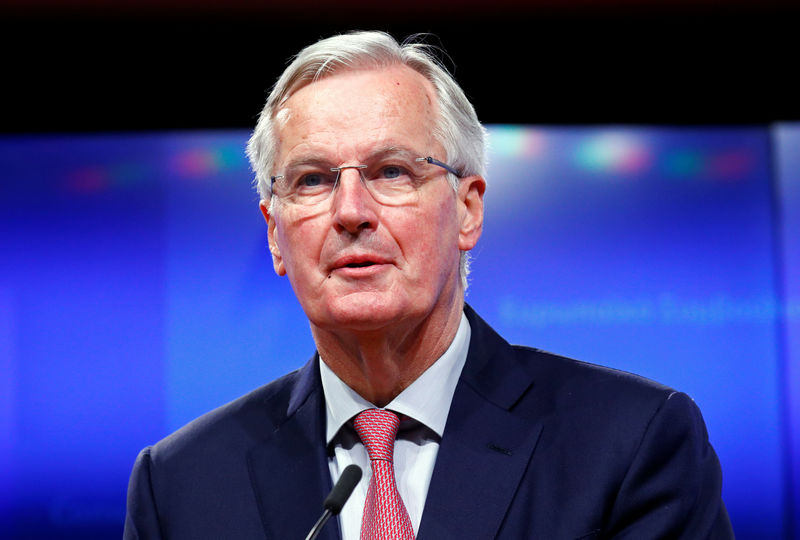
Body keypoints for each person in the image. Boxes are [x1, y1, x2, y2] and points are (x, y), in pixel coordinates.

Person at [124, 31, 734, 539]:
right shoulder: (179, 486)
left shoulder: (632, 445)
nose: (350, 211)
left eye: (392, 171)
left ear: (467, 210)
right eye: (312, 180)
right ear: (276, 236)